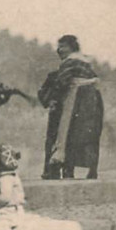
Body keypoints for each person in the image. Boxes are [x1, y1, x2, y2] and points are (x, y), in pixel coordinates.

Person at [38, 34, 104, 180]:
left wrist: (52, 99)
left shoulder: (70, 62)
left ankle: (63, 171)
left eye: (62, 46)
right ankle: (89, 170)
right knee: (87, 136)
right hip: (91, 103)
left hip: (76, 101)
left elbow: (61, 83)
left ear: (71, 47)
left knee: (66, 134)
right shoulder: (86, 62)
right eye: (58, 46)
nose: (59, 50)